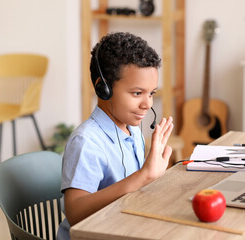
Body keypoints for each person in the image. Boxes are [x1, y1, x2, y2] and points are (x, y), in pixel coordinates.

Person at [57, 32, 174, 240]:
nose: (147, 104)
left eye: (151, 93)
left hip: (124, 228)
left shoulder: (133, 130)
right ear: (104, 88)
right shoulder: (86, 142)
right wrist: (144, 175)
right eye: (137, 93)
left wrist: (151, 176)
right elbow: (75, 213)